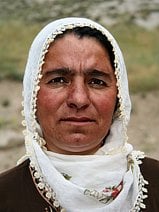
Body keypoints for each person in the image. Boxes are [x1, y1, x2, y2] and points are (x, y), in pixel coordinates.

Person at [0, 17, 159, 212]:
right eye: (58, 80)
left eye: (97, 82)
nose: (79, 99)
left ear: (119, 97)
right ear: (32, 94)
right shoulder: (6, 195)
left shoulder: (155, 181)